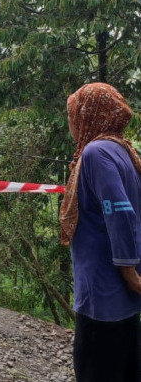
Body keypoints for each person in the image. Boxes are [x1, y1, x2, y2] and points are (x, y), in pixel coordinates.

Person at [60, 83, 141, 382]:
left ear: (86, 115)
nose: (70, 121)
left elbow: (120, 212)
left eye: (72, 114)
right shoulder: (123, 149)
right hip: (121, 300)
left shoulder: (96, 153)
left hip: (102, 298)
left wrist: (129, 272)